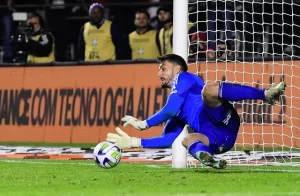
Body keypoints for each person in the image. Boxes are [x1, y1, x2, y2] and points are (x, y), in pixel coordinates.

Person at [106, 54, 286, 169]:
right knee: (187, 139)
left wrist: (143, 124)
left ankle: (266, 94)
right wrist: (132, 141)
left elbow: (170, 109)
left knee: (209, 90)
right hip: (220, 141)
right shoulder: (178, 109)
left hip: (224, 119)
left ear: (177, 70)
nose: (159, 73)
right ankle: (208, 158)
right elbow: (167, 139)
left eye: (163, 68)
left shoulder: (184, 78)